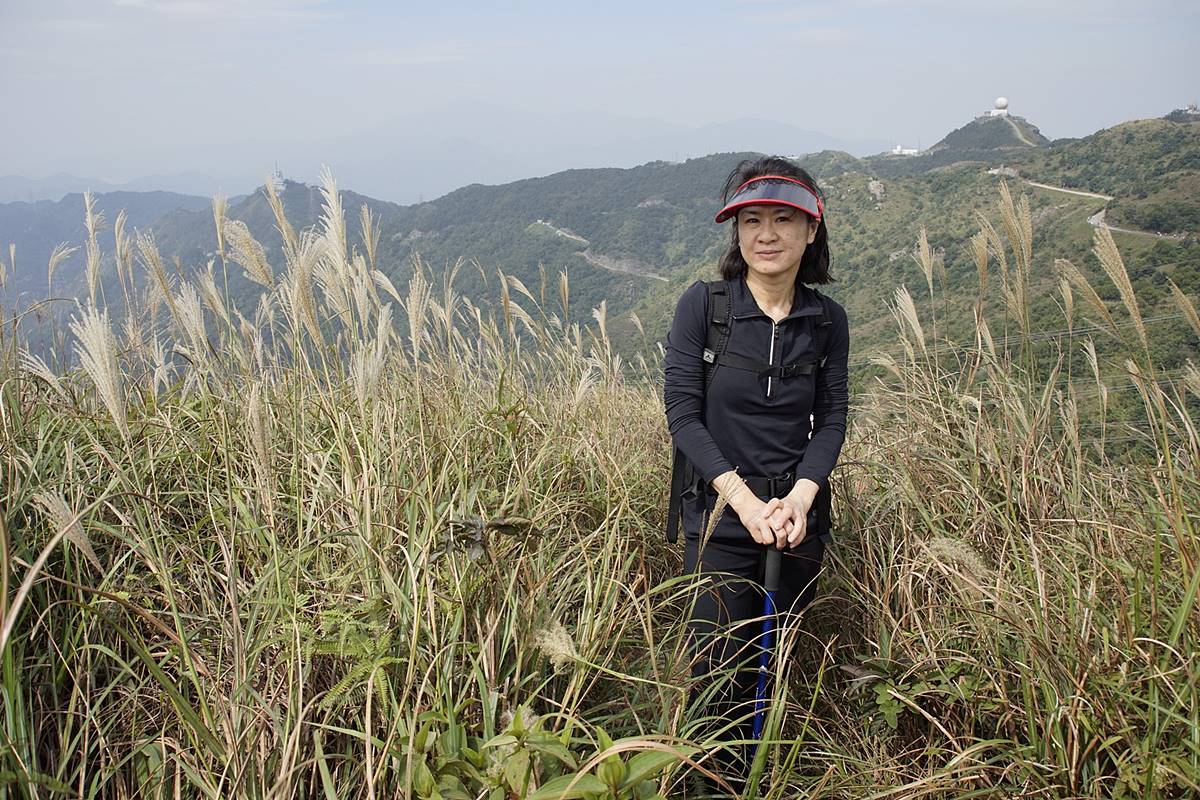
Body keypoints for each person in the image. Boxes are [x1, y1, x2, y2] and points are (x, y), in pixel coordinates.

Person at [662, 156, 849, 785]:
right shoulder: (705, 307)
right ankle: (705, 784)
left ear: (811, 230)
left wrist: (799, 500)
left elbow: (832, 418)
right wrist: (742, 502)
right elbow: (684, 415)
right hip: (719, 520)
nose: (766, 234)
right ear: (736, 231)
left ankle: (760, 778)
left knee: (774, 674)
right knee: (717, 674)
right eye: (752, 220)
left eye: (783, 219)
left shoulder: (827, 322)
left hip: (795, 525)